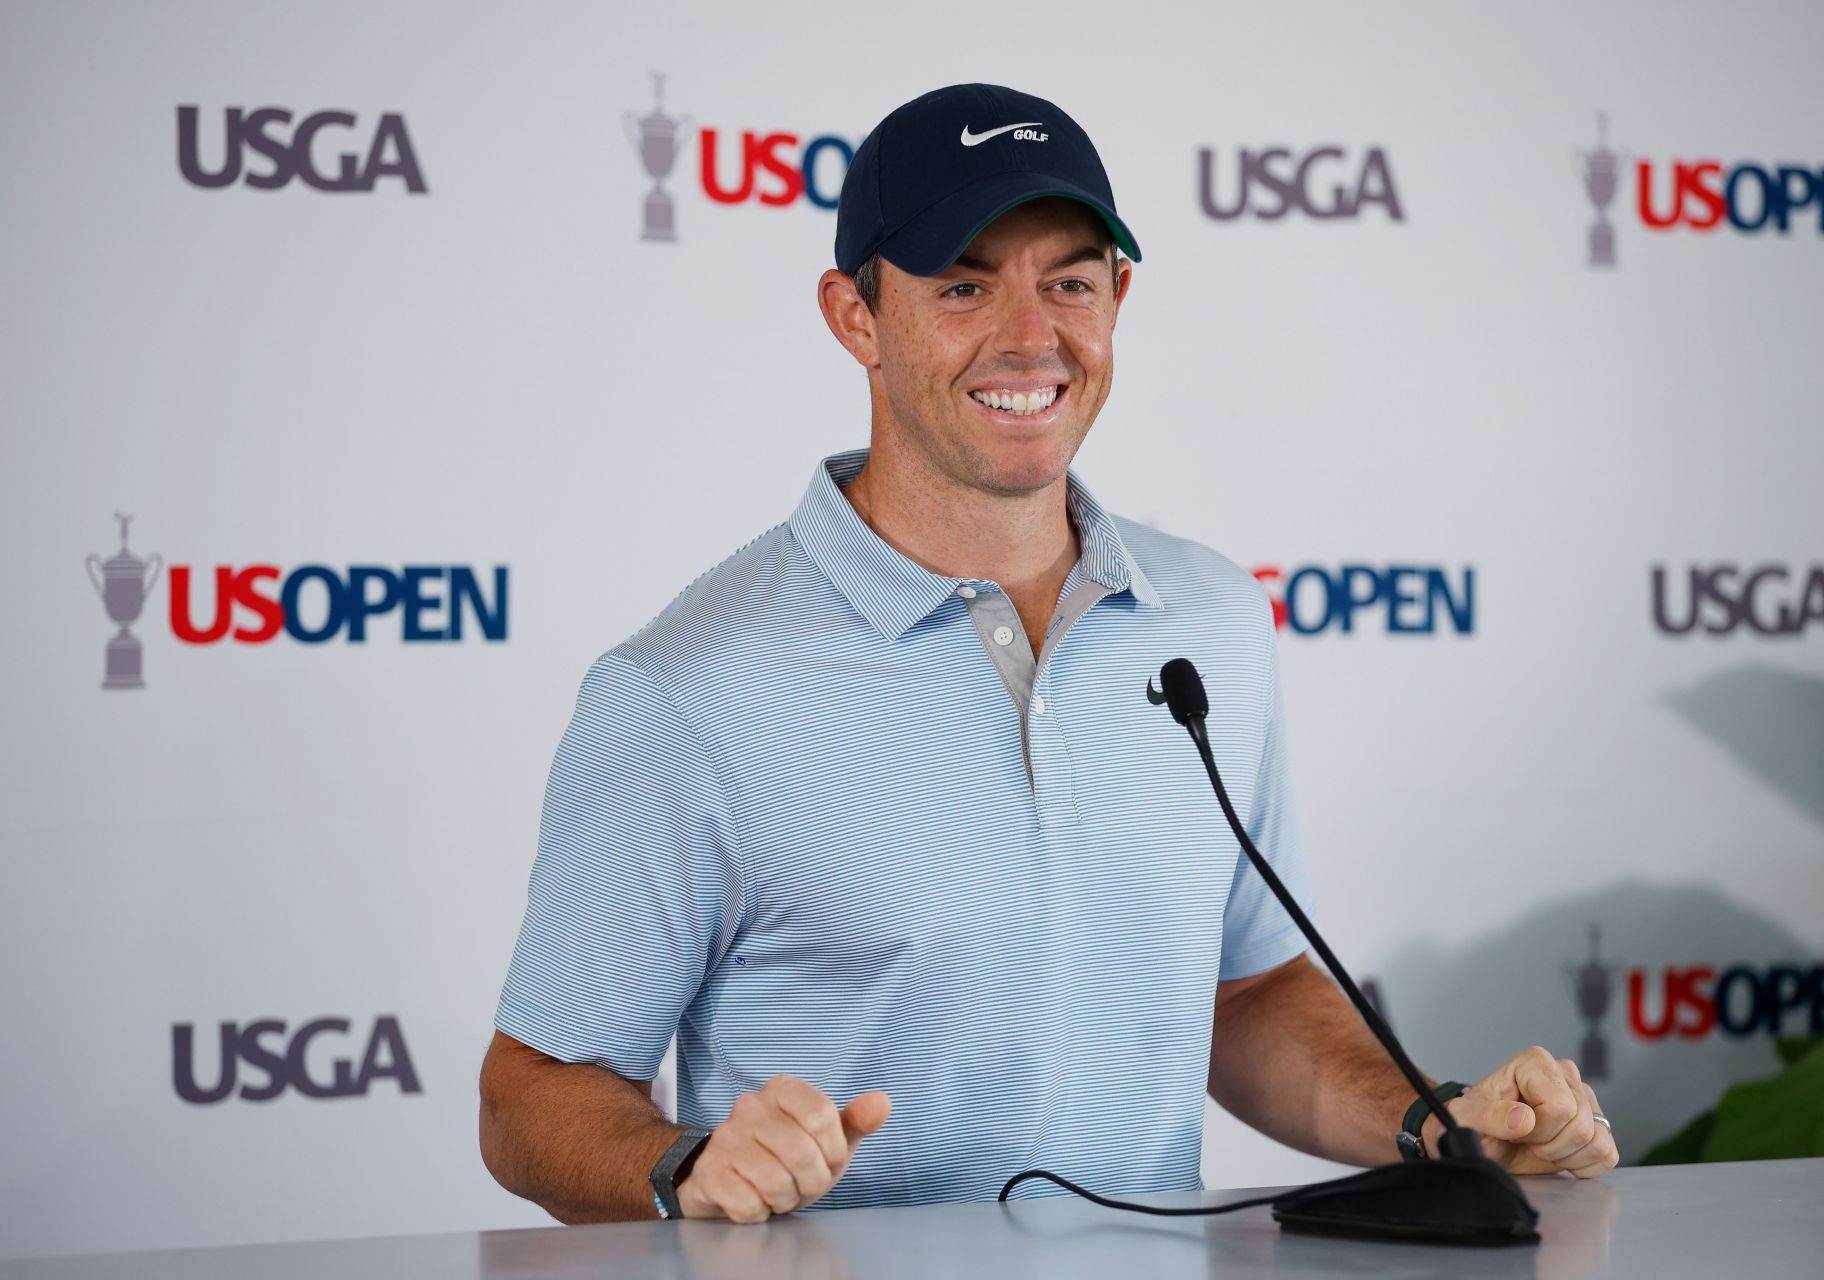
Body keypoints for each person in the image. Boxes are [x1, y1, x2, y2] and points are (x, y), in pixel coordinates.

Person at [478, 83, 1618, 1226]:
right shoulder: (685, 689)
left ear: (1118, 296)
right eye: (965, 285)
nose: (1032, 337)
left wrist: (1441, 1121)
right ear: (855, 316)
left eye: (1069, 280)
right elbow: (529, 1093)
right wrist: (685, 1165)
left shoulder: (1212, 617)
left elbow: (1248, 991)